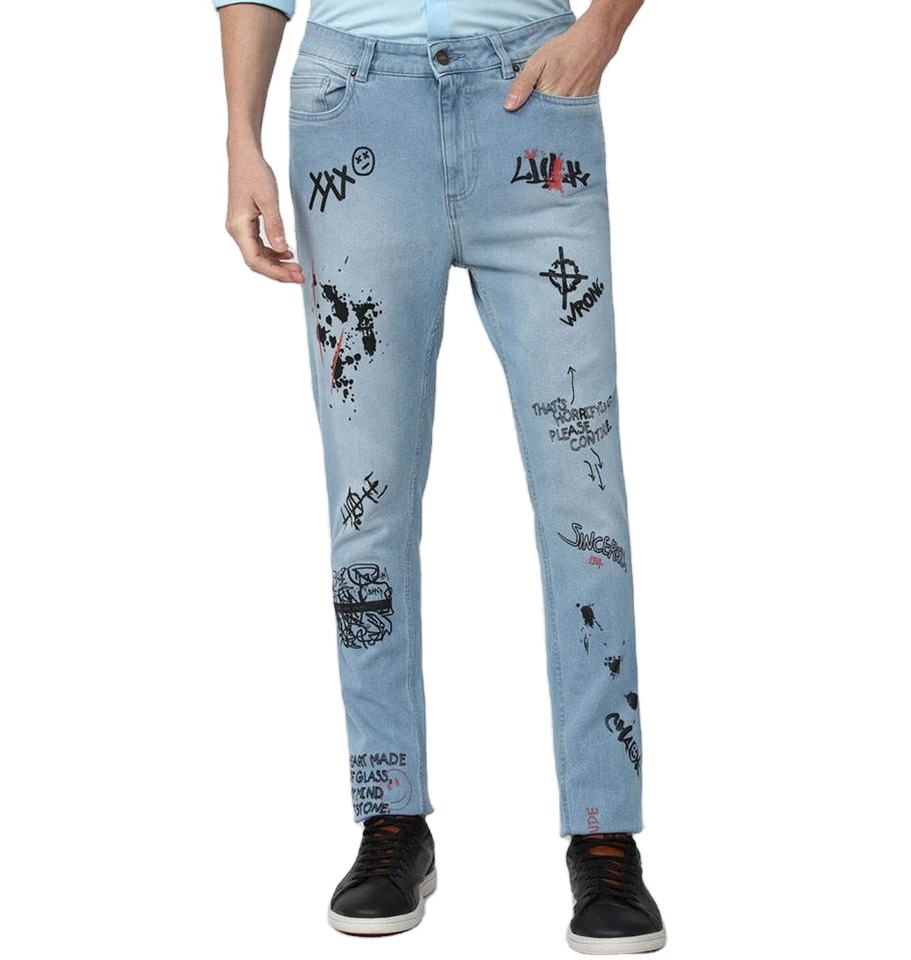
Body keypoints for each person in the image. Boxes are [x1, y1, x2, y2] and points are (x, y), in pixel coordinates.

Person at [214, 0, 664, 952]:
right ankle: (390, 815)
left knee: (583, 492)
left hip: (531, 102)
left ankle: (605, 830)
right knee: (367, 499)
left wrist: (605, 28)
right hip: (354, 108)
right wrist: (240, 140)